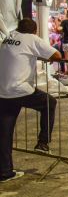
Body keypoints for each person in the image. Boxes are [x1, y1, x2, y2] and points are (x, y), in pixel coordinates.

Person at [0, 19, 62, 182]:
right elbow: (57, 55)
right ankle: (43, 143)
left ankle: (5, 171)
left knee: (5, 132)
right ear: (34, 31)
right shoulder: (31, 39)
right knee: (50, 102)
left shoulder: (10, 36)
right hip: (20, 89)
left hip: (3, 91)